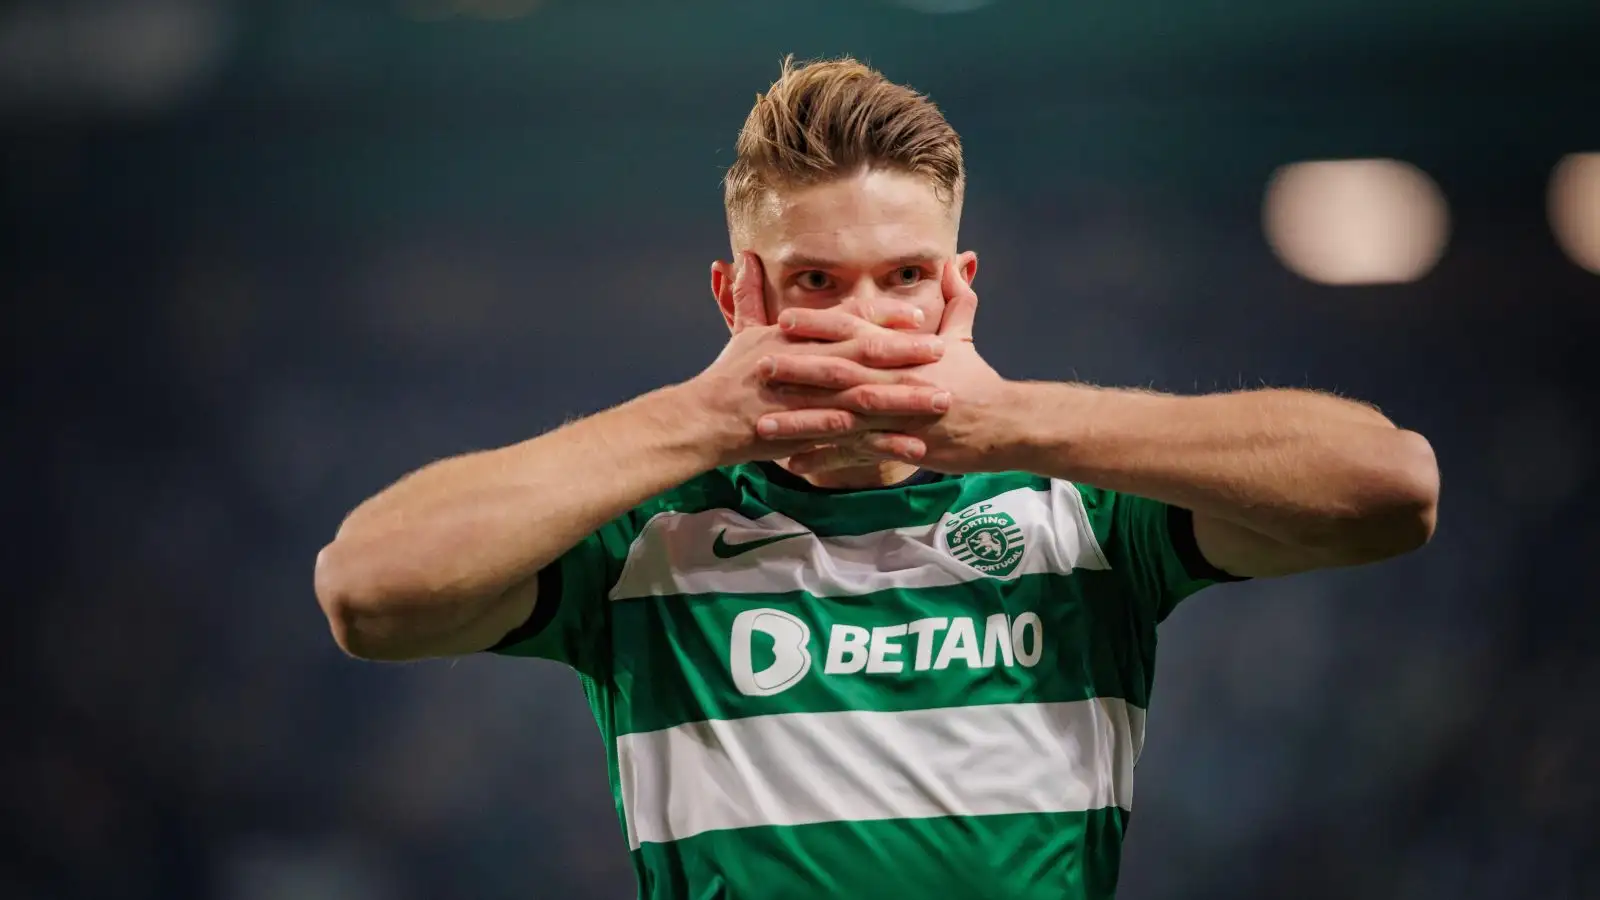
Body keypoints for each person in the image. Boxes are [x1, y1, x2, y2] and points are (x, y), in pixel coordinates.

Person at [314, 57, 1440, 900]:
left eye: (903, 276)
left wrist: (1013, 420)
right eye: (815, 280)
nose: (862, 319)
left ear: (959, 288)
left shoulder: (1083, 513)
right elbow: (368, 591)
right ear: (735, 299)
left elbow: (1391, 491)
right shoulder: (644, 541)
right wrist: (700, 419)